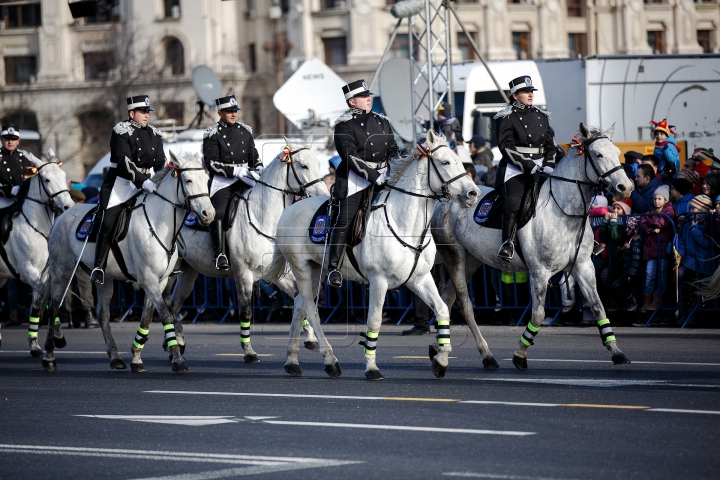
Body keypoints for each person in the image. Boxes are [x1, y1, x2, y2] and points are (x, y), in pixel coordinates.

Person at [327, 79, 399, 287]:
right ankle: (334, 267)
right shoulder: (344, 125)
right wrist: (375, 176)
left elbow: (393, 149)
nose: (368, 99)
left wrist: (393, 170)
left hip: (385, 174)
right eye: (363, 96)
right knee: (344, 220)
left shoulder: (383, 121)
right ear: (352, 102)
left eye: (368, 96)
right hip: (356, 179)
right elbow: (349, 156)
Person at [90, 96, 166, 284]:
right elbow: (124, 162)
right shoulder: (121, 131)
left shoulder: (155, 134)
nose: (146, 115)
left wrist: (162, 177)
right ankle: (99, 266)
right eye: (142, 112)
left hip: (146, 183)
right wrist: (142, 181)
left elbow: (160, 162)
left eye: (148, 112)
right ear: (132, 114)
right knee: (108, 222)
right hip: (122, 185)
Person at [494, 75, 555, 261]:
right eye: (525, 92)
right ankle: (508, 242)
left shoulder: (542, 116)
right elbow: (506, 148)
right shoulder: (506, 116)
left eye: (531, 91)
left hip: (541, 166)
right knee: (513, 201)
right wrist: (529, 166)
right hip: (516, 168)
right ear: (514, 95)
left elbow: (551, 145)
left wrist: (549, 164)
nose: (530, 94)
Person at [203, 94, 260, 270]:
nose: (233, 114)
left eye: (235, 110)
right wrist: (233, 170)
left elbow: (253, 155)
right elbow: (211, 163)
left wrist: (258, 167)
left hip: (245, 177)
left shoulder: (245, 131)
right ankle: (219, 253)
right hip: (224, 180)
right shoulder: (212, 134)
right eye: (229, 111)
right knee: (218, 212)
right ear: (220, 113)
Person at [637, 185, 677, 315]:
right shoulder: (650, 210)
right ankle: (647, 301)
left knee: (662, 274)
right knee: (649, 275)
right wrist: (651, 229)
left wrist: (652, 222)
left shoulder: (670, 210)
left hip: (663, 250)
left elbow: (663, 222)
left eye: (659, 198)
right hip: (650, 250)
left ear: (665, 199)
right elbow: (642, 223)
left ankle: (657, 300)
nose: (656, 201)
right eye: (655, 199)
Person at [676, 194, 715, 326]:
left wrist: (695, 229)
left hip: (704, 262)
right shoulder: (688, 222)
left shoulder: (708, 223)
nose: (691, 211)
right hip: (690, 261)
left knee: (704, 291)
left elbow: (705, 243)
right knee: (684, 280)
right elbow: (682, 240)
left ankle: (704, 316)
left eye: (694, 208)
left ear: (702, 209)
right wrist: (679, 253)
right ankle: (686, 314)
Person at [0, 125, 30, 220]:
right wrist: (11, 190)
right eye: (7, 139)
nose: (10, 142)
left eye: (13, 139)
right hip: (3, 202)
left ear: (18, 141)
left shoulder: (25, 158)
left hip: (23, 202)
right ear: (1, 140)